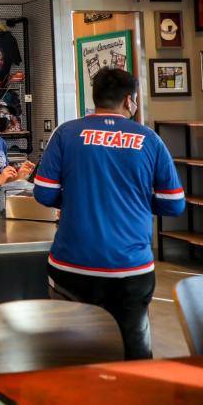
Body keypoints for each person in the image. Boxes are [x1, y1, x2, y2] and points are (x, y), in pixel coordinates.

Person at [34, 68, 185, 360]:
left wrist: (78, 199)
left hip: (72, 265)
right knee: (133, 350)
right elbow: (174, 203)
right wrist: (136, 202)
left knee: (71, 353)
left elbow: (43, 193)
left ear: (96, 98)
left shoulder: (66, 133)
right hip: (130, 268)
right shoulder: (149, 139)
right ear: (130, 100)